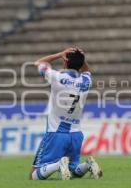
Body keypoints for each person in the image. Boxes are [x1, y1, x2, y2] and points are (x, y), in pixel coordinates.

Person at [29, 47, 103, 180]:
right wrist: (81, 58)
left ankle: (58, 165)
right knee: (73, 169)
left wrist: (60, 54)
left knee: (34, 176)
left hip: (56, 132)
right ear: (81, 64)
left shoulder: (56, 77)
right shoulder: (86, 81)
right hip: (76, 134)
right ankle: (88, 165)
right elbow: (86, 70)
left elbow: (39, 62)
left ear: (65, 61)